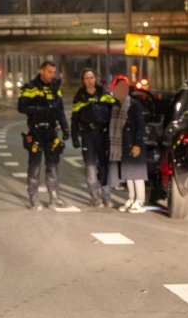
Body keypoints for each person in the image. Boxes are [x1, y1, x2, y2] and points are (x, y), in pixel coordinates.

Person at [18, 60, 70, 210]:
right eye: (49, 72)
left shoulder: (55, 87)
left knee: (53, 165)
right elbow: (21, 107)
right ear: (41, 71)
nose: (51, 75)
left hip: (51, 132)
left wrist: (65, 128)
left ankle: (54, 196)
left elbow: (59, 109)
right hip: (36, 131)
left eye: (53, 72)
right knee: (34, 166)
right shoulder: (30, 87)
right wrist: (40, 109)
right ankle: (33, 197)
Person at [71, 69, 115, 208]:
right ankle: (94, 196)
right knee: (90, 166)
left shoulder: (104, 94)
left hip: (102, 134)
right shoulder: (80, 96)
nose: (90, 81)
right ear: (83, 81)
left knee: (104, 166)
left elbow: (114, 113)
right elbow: (75, 119)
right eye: (86, 78)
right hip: (87, 135)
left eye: (92, 77)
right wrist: (74, 137)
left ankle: (106, 196)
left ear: (95, 79)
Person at [106, 76, 148, 214]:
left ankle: (140, 200)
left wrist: (137, 144)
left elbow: (140, 126)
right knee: (128, 174)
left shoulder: (134, 105)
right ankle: (132, 198)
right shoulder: (115, 106)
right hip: (122, 145)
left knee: (137, 174)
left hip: (133, 144)